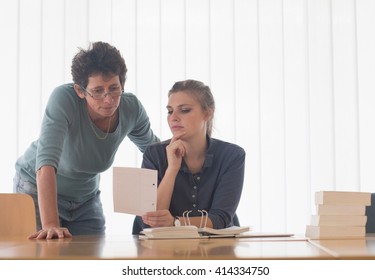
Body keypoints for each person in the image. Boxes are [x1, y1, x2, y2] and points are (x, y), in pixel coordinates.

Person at [14, 41, 159, 239]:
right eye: (98, 91)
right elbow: (46, 163)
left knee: (91, 261)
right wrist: (50, 224)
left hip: (85, 198)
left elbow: (156, 152)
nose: (108, 99)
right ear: (80, 91)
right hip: (36, 188)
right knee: (47, 253)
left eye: (114, 88)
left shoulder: (131, 108)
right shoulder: (64, 100)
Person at [133, 79, 245, 234]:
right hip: (161, 250)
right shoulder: (154, 154)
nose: (173, 118)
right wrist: (172, 170)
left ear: (207, 113)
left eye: (184, 110)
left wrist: (175, 222)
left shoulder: (232, 156)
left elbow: (221, 219)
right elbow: (151, 221)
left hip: (215, 248)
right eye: (170, 111)